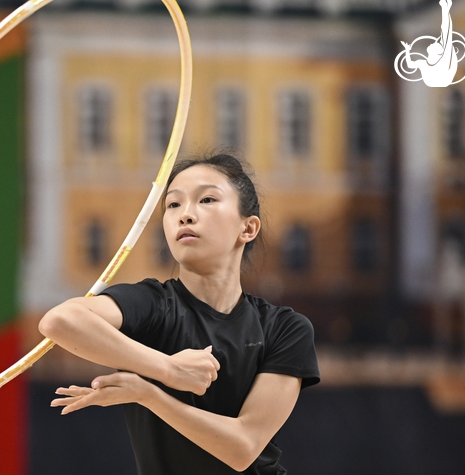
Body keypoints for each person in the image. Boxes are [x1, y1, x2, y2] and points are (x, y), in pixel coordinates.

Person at [38, 151, 320, 474]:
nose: (185, 214)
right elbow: (59, 321)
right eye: (173, 204)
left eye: (207, 200)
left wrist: (150, 395)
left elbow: (242, 447)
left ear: (248, 228)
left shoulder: (284, 328)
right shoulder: (152, 305)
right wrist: (167, 369)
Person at [401, 0, 457, 87]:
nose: (433, 43)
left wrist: (445, 9)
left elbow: (446, 30)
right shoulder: (427, 63)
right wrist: (407, 50)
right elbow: (410, 64)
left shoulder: (436, 63)